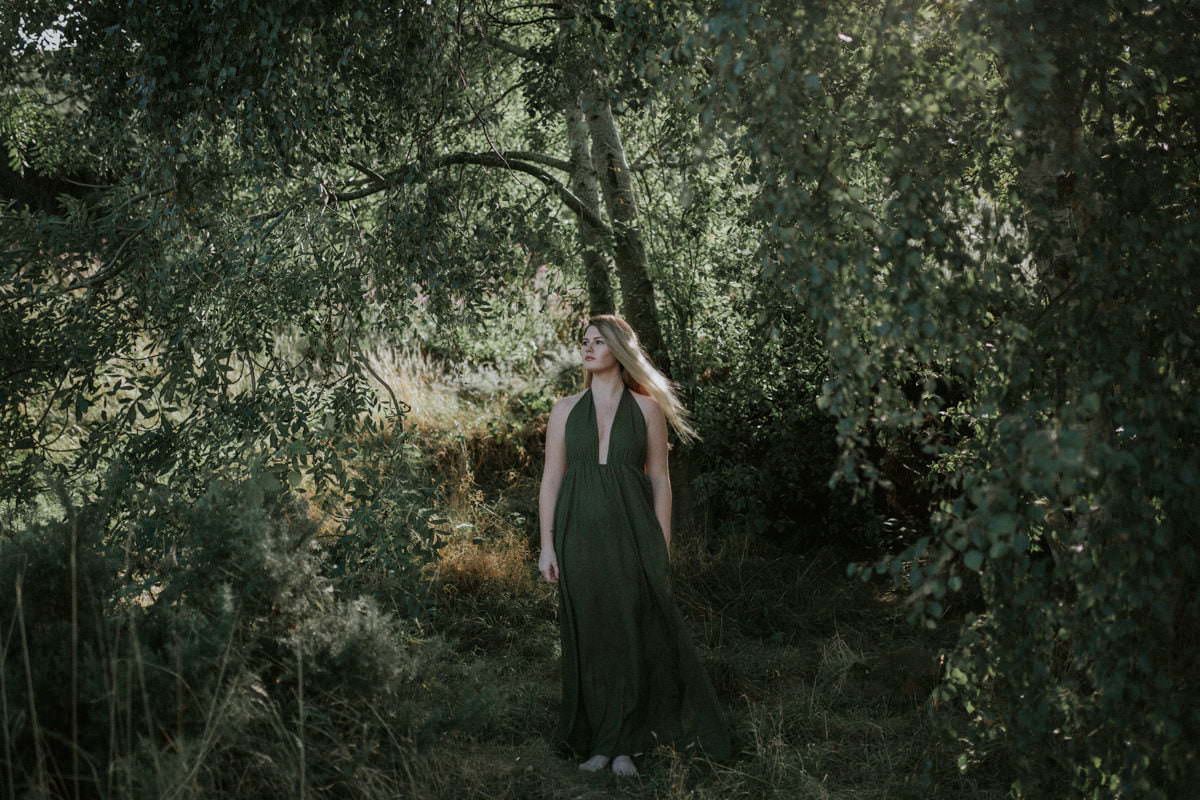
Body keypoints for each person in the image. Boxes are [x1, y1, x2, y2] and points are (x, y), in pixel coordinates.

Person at [537, 314, 732, 778]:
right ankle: (599, 742)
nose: (587, 348)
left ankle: (626, 743)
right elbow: (550, 480)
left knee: (630, 633)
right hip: (575, 533)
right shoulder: (565, 409)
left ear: (619, 351)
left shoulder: (646, 410)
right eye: (584, 341)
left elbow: (660, 482)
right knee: (591, 636)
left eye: (598, 342)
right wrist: (547, 545)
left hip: (631, 534)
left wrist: (659, 544)